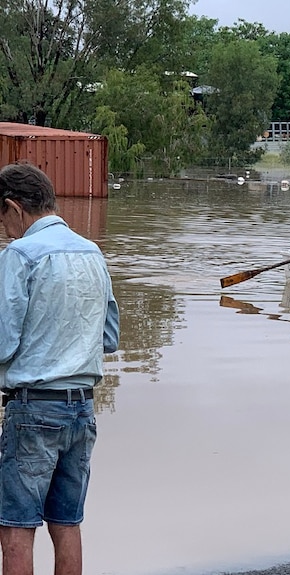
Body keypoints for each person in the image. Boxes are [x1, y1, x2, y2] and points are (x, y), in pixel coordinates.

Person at [0, 161, 120, 575]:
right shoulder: (92, 251)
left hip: (33, 409)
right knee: (66, 521)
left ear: (13, 208)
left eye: (3, 219)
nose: (4, 230)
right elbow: (109, 338)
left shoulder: (19, 255)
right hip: (82, 410)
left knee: (16, 525)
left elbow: (2, 345)